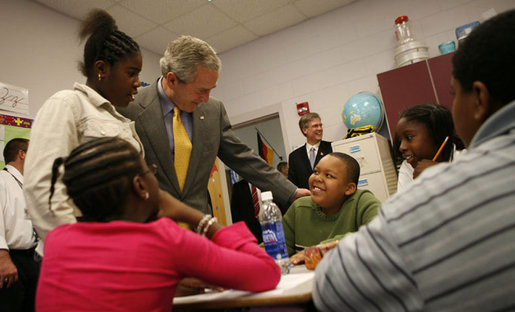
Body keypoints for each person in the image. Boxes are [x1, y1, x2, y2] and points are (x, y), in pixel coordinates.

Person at [313, 9, 515, 311]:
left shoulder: (441, 188)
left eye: (454, 94)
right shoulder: (414, 173)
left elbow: (335, 287)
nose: (404, 148)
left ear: (479, 99)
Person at [35, 137, 281, 311]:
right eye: (149, 171)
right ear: (140, 186)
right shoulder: (164, 238)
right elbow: (267, 273)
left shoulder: (57, 240)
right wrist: (198, 217)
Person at [118, 35, 309, 215]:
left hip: (198, 224)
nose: (206, 99)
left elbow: (243, 158)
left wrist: (290, 192)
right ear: (172, 79)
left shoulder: (212, 110)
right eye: (201, 90)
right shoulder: (128, 107)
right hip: (151, 227)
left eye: (211, 90)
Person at [24, 9, 143, 255]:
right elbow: (43, 189)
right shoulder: (67, 104)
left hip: (119, 247)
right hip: (82, 253)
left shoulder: (120, 120)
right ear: (101, 69)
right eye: (131, 73)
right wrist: (81, 252)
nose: (137, 84)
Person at [283, 152, 380, 264]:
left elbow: (378, 234)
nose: (318, 178)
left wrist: (321, 249)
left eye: (329, 175)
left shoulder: (362, 201)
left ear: (349, 188)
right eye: (316, 172)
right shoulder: (299, 207)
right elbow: (273, 248)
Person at [0, 139, 39, 312]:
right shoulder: (2, 181)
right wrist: (3, 258)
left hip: (33, 259)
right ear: (21, 154)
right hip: (10, 259)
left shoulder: (28, 186)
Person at [394, 103, 464, 192]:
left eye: (409, 138)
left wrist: (443, 174)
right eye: (401, 140)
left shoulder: (466, 159)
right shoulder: (407, 167)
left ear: (437, 136)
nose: (401, 147)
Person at [288, 112, 332, 189]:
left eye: (320, 125)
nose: (320, 129)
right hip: (307, 199)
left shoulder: (332, 148)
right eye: (315, 126)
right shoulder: (294, 157)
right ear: (305, 130)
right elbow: (293, 185)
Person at [230, 179, 263, 243]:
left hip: (267, 226)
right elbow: (235, 214)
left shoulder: (266, 183)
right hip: (249, 231)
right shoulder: (238, 187)